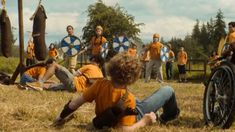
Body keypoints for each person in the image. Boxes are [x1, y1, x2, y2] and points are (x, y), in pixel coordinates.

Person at [52, 52, 180, 131]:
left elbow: (75, 104)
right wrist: (145, 121)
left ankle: (159, 114)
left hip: (124, 107)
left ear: (111, 68)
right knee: (168, 90)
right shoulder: (127, 98)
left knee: (138, 100)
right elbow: (123, 129)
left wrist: (60, 117)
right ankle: (167, 116)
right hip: (136, 113)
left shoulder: (99, 84)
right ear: (133, 77)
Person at [31, 55, 104, 92]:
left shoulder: (90, 66)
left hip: (74, 83)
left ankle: (40, 82)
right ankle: (33, 87)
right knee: (53, 86)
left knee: (54, 65)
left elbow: (75, 74)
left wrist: (64, 77)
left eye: (91, 60)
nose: (90, 61)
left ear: (94, 60)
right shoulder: (101, 74)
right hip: (76, 90)